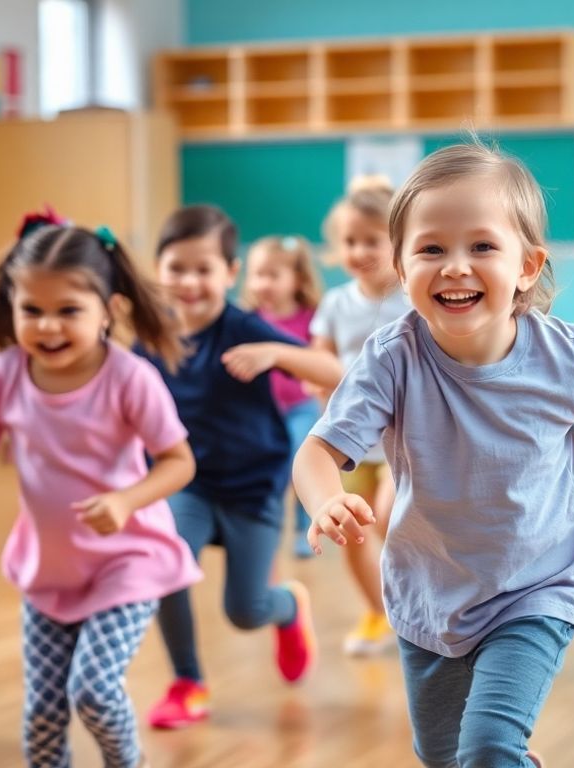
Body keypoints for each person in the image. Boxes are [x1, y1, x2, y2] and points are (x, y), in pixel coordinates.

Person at [293, 141, 574, 767]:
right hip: (426, 591)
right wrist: (326, 498)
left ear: (527, 265)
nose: (456, 266)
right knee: (444, 758)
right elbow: (317, 452)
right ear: (400, 266)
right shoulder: (393, 357)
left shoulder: (562, 355)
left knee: (488, 748)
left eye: (482, 247)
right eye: (431, 248)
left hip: (535, 587)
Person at [0, 214, 201, 768]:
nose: (47, 327)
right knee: (43, 715)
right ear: (12, 307)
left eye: (68, 311)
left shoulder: (129, 378)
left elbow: (178, 463)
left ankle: (127, 761)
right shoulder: (4, 373)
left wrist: (126, 500)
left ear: (110, 309)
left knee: (95, 690)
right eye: (32, 310)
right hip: (49, 567)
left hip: (129, 561)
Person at [142, 206, 340, 729]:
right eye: (176, 268)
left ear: (230, 274)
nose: (189, 282)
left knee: (245, 610)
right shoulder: (151, 336)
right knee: (167, 566)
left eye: (203, 269)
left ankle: (288, 609)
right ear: (157, 270)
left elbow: (332, 370)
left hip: (253, 486)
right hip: (187, 482)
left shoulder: (243, 327)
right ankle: (188, 682)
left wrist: (275, 352)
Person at [310, 176, 411, 655]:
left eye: (372, 240)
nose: (359, 251)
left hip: (402, 438)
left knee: (393, 518)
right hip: (352, 443)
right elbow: (321, 359)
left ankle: (418, 603)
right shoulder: (334, 304)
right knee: (351, 531)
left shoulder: (413, 299)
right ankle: (378, 613)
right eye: (350, 241)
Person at [241, 234, 327, 559]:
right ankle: (269, 527)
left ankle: (306, 528)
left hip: (302, 409)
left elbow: (322, 360)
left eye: (272, 275)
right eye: (257, 274)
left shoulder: (311, 317)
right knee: (270, 470)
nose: (263, 283)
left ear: (297, 279)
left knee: (300, 465)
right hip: (263, 412)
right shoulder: (249, 320)